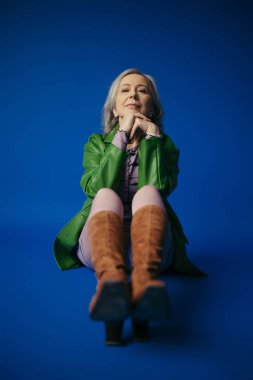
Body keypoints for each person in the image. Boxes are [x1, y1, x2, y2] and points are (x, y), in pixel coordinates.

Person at [54, 68, 206, 345]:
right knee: (105, 195)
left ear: (153, 107)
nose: (133, 94)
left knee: (147, 192)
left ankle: (144, 285)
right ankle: (112, 287)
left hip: (151, 246)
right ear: (114, 107)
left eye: (142, 90)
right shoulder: (96, 144)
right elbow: (93, 185)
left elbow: (161, 187)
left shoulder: (165, 145)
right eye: (125, 90)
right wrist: (121, 136)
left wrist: (152, 139)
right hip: (100, 245)